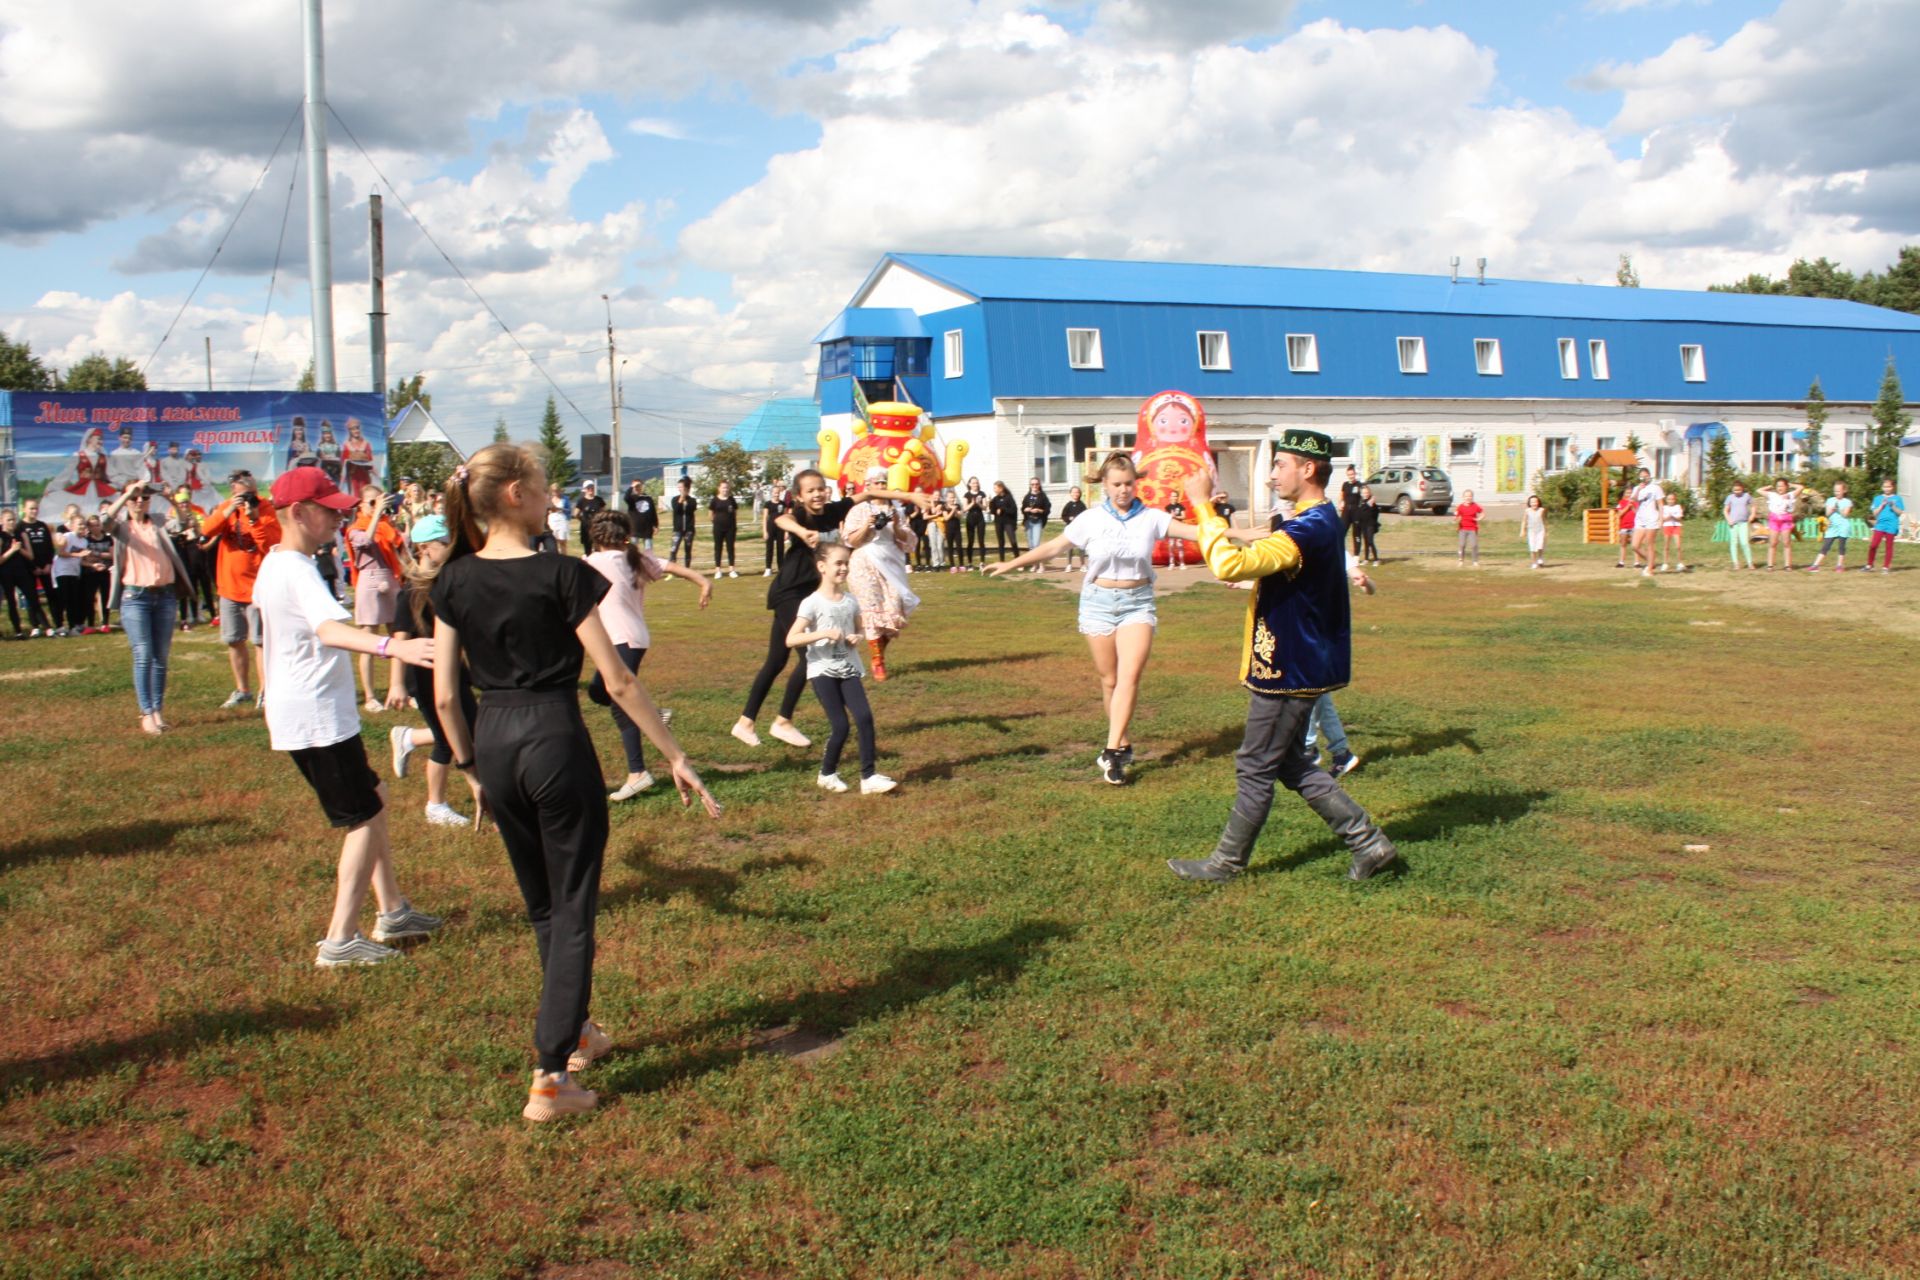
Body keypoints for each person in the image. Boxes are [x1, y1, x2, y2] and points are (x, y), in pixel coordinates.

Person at [428, 444, 719, 1121]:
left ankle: (578, 1027)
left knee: (543, 906)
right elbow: (617, 679)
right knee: (575, 913)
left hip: (494, 743)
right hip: (553, 739)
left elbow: (445, 698)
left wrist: (472, 770)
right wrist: (673, 753)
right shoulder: (561, 574)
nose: (552, 490)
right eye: (541, 482)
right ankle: (552, 1077)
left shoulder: (453, 579)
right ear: (513, 497)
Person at [1167, 431, 1399, 883]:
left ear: (1307, 470)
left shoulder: (1307, 529)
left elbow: (1227, 565)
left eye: (1280, 465)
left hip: (1289, 669)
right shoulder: (1321, 519)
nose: (1272, 475)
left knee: (1255, 764)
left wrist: (1203, 506)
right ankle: (1369, 843)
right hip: (1299, 663)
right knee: (1291, 763)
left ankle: (1226, 864)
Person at [255, 465, 444, 968]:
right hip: (316, 717)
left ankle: (394, 911)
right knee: (362, 819)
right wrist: (395, 649)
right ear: (298, 513)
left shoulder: (276, 563)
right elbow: (330, 631)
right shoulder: (296, 568)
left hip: (309, 712)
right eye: (331, 510)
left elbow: (272, 638)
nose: (342, 519)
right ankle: (341, 940)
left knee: (374, 797)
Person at [987, 453, 1202, 785]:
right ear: (1105, 484)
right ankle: (1123, 739)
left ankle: (1112, 751)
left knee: (1129, 677)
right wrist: (1010, 564)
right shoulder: (1090, 519)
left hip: (1138, 603)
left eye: (1129, 483)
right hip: (1098, 603)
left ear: (1136, 483)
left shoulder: (1152, 518)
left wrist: (1242, 535)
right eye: (1117, 484)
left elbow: (1196, 532)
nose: (1123, 490)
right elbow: (1053, 547)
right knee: (1110, 681)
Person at [733, 469, 930, 748]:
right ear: (799, 496)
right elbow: (782, 518)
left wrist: (909, 495)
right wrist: (802, 531)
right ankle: (783, 721)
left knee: (776, 661)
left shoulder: (833, 509)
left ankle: (746, 722)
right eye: (810, 491)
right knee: (811, 656)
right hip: (789, 593)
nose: (817, 494)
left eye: (821, 489)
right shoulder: (801, 515)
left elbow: (871, 493)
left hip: (807, 594)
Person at [584, 510, 712, 801]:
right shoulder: (634, 558)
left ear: (595, 537)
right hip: (635, 638)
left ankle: (637, 773)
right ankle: (653, 715)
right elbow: (673, 567)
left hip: (620, 639)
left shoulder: (591, 563)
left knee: (619, 702)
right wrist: (703, 581)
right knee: (598, 691)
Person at [387, 515, 483, 827]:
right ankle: (435, 805)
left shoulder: (448, 584)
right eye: (446, 545)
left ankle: (410, 738)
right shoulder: (411, 591)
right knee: (447, 740)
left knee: (473, 728)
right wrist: (396, 685)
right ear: (425, 548)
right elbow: (399, 640)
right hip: (424, 675)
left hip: (453, 671)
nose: (452, 550)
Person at [789, 543, 895, 794]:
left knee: (865, 718)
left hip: (848, 668)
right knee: (841, 725)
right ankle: (827, 773)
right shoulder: (811, 603)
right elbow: (791, 638)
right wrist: (821, 634)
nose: (844, 568)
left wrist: (857, 636)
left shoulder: (850, 601)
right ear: (822, 567)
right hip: (822, 670)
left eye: (846, 563)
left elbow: (859, 628)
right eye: (838, 563)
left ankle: (868, 777)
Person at [99, 482, 190, 733]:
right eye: (136, 498)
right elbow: (104, 519)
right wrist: (128, 492)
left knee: (160, 657)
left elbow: (182, 524)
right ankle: (146, 712)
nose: (140, 501)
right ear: (127, 500)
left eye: (145, 497)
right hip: (135, 598)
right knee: (143, 653)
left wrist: (173, 500)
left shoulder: (159, 521)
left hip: (164, 597)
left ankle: (158, 711)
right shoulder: (121, 527)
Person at [202, 470, 281, 708]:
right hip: (229, 588)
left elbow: (271, 545)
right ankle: (242, 689)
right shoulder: (227, 508)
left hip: (258, 588)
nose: (247, 499)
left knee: (261, 642)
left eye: (251, 493)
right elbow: (207, 530)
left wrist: (254, 518)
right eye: (242, 495)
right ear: (234, 493)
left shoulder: (266, 509)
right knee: (234, 640)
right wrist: (228, 511)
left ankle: (266, 691)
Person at [843, 465, 922, 680]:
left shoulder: (896, 508)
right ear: (868, 486)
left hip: (891, 562)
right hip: (864, 564)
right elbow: (850, 540)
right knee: (871, 611)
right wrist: (867, 526)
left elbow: (909, 541)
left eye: (884, 483)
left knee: (893, 608)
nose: (881, 486)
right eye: (877, 483)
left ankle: (879, 653)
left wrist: (896, 525)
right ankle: (878, 661)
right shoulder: (859, 509)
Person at [347, 485, 408, 712]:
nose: (377, 507)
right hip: (369, 581)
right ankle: (371, 697)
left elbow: (402, 546)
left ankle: (402, 688)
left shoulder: (386, 526)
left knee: (398, 635)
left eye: (379, 501)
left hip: (389, 579)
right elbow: (364, 542)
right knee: (368, 641)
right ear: (362, 505)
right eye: (372, 503)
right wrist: (375, 517)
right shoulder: (355, 528)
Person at [13, 499, 55, 635]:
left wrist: (48, 564)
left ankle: (58, 624)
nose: (34, 511)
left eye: (36, 508)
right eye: (31, 508)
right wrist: (33, 567)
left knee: (52, 596)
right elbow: (21, 551)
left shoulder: (42, 525)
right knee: (32, 597)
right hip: (30, 569)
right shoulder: (19, 527)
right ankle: (35, 626)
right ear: (24, 509)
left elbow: (50, 546)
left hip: (46, 568)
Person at [1805, 481, 1855, 573]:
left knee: (1841, 547)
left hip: (1843, 526)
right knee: (1826, 546)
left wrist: (1839, 509)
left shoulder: (1847, 502)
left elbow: (1845, 514)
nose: (1836, 493)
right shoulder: (1830, 500)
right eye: (1835, 491)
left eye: (1838, 491)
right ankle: (1815, 565)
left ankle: (1839, 565)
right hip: (1832, 527)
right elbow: (1827, 514)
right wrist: (1832, 509)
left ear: (1844, 491)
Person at [49, 512, 86, 635]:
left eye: (83, 524)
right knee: (62, 599)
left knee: (73, 600)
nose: (82, 526)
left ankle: (72, 627)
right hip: (61, 572)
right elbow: (60, 552)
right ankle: (59, 626)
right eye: (79, 524)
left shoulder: (84, 541)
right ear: (73, 525)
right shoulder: (68, 536)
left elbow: (81, 559)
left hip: (74, 572)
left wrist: (93, 565)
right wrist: (77, 554)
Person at [80, 515, 114, 631]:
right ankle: (90, 624)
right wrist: (96, 558)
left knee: (106, 597)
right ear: (89, 527)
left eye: (97, 525)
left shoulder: (108, 539)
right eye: (92, 526)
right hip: (91, 572)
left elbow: (112, 555)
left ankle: (105, 623)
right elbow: (84, 558)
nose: (95, 528)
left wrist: (95, 554)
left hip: (106, 571)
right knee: (89, 598)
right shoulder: (86, 540)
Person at [1631, 468, 1663, 578]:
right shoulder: (1637, 488)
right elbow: (1633, 500)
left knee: (1649, 544)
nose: (1644, 478)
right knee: (1635, 545)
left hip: (1652, 518)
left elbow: (1660, 504)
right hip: (1640, 519)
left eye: (1646, 475)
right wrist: (1639, 490)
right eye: (1642, 476)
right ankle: (1651, 561)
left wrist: (1661, 519)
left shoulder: (1655, 488)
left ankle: (1650, 569)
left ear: (1649, 476)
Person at [1867, 479, 1904, 573]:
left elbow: (1900, 513)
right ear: (1882, 487)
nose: (1887, 489)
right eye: (1885, 487)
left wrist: (1893, 506)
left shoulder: (1897, 498)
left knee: (1889, 546)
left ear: (1893, 487)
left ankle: (1886, 567)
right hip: (1880, 524)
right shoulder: (1877, 498)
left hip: (1891, 525)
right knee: (1873, 545)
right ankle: (1869, 565)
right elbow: (1875, 513)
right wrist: (1881, 506)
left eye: (1889, 487)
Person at [708, 481, 740, 577]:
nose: (725, 489)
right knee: (718, 548)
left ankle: (732, 569)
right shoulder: (714, 500)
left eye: (726, 487)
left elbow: (735, 512)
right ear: (719, 488)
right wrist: (716, 522)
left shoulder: (731, 499)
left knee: (730, 548)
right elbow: (710, 514)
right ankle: (718, 570)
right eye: (723, 487)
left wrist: (733, 524)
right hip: (718, 528)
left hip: (730, 528)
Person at [1764, 478, 1796, 571]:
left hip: (1785, 520)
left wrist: (1792, 485)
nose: (1780, 488)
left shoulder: (1790, 495)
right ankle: (1770, 565)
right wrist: (1769, 487)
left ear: (1786, 487)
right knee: (1773, 543)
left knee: (1786, 543)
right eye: (1778, 486)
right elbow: (1759, 490)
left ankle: (1787, 565)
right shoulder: (1772, 495)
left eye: (1782, 485)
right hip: (1774, 520)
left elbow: (1801, 487)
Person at [1723, 481, 1756, 570]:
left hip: (1744, 522)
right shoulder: (1730, 497)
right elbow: (1725, 510)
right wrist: (1729, 520)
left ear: (1742, 489)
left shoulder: (1746, 496)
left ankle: (1750, 563)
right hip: (1733, 524)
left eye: (1739, 490)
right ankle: (1735, 563)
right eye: (1735, 490)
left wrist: (1752, 515)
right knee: (1734, 543)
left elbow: (1753, 505)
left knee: (1744, 542)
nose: (1737, 492)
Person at [1021, 478, 1052, 568]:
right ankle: (1034, 564)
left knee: (1036, 544)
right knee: (1031, 545)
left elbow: (1047, 509)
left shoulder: (1043, 496)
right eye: (1032, 484)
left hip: (1038, 521)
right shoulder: (1027, 496)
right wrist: (1025, 509)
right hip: (1028, 521)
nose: (1034, 486)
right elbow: (1023, 509)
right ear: (1030, 485)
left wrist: (1039, 510)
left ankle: (1041, 565)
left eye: (1036, 484)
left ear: (1039, 485)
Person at [667, 477, 698, 568]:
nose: (680, 489)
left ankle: (687, 569)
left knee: (688, 550)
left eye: (681, 487)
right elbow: (676, 509)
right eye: (679, 487)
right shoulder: (674, 499)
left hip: (689, 529)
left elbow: (691, 509)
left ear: (686, 488)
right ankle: (672, 569)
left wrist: (685, 499)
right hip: (677, 529)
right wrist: (681, 499)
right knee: (673, 549)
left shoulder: (692, 500)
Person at [760, 481, 788, 576]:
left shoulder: (783, 504)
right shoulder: (768, 504)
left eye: (778, 492)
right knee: (769, 548)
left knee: (780, 549)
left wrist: (786, 532)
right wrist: (764, 531)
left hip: (780, 529)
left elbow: (786, 517)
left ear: (779, 493)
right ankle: (768, 568)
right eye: (775, 493)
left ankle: (781, 568)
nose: (776, 494)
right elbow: (764, 518)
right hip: (770, 528)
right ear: (772, 493)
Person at [341, 419, 376, 494]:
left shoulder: (366, 444)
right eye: (353, 429)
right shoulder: (346, 445)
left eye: (357, 428)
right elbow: (343, 462)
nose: (356, 431)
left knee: (366, 493)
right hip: (353, 475)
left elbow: (370, 460)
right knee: (355, 495)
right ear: (350, 431)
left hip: (364, 474)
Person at [1058, 486, 1088, 573]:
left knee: (1081, 547)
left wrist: (1078, 519)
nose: (1075, 494)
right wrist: (1069, 519)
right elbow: (1063, 516)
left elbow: (1085, 516)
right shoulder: (1068, 505)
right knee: (1069, 547)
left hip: (1080, 529)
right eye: (1073, 492)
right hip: (1070, 528)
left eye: (1077, 492)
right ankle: (1069, 565)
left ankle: (1082, 565)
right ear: (1070, 494)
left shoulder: (1082, 505)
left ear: (1080, 494)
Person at [573, 480, 607, 553]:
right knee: (587, 548)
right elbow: (575, 514)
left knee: (598, 547)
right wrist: (582, 520)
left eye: (592, 487)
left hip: (597, 527)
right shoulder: (581, 501)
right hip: (586, 528)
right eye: (588, 488)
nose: (591, 489)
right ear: (585, 489)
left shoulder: (599, 500)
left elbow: (604, 512)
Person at [625, 480, 658, 553]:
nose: (637, 488)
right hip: (635, 528)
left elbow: (653, 512)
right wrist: (632, 487)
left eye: (639, 486)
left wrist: (655, 525)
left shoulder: (648, 498)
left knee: (648, 549)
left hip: (647, 528)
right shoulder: (631, 498)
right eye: (635, 487)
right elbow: (626, 497)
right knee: (633, 550)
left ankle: (648, 562)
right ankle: (634, 563)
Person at [988, 481, 1017, 561]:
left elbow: (1013, 510)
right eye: (994, 488)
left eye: (995, 488)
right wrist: (990, 504)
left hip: (1008, 522)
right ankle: (1002, 561)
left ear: (1001, 488)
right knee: (1001, 542)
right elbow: (992, 511)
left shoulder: (1009, 498)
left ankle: (1017, 560)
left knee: (1013, 541)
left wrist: (1003, 509)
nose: (994, 490)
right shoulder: (995, 499)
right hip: (998, 522)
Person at [1659, 489, 1687, 572]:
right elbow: (1662, 518)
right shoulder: (1664, 507)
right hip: (1667, 526)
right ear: (1666, 500)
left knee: (1678, 546)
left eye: (1672, 499)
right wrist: (1668, 517)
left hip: (1676, 526)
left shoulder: (1678, 507)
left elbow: (1679, 517)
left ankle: (1680, 563)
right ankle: (1665, 563)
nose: (1671, 501)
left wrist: (1673, 516)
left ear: (1675, 500)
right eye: (1669, 499)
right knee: (1666, 546)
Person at [1353, 485, 1381, 565]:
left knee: (1370, 541)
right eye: (1364, 493)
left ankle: (1376, 559)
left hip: (1370, 525)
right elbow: (1360, 511)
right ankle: (1366, 559)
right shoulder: (1362, 502)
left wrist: (1374, 522)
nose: (1365, 494)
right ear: (1361, 494)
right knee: (1365, 541)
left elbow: (1375, 512)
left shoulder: (1371, 502)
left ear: (1369, 493)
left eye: (1367, 492)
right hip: (1363, 524)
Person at [1455, 490, 1483, 566]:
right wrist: (1458, 519)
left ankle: (1475, 561)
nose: (1468, 498)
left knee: (1474, 545)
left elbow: (1482, 512)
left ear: (1472, 497)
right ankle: (1461, 560)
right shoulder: (1460, 507)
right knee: (1462, 545)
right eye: (1466, 496)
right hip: (1462, 529)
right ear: (1463, 497)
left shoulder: (1475, 506)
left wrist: (1479, 518)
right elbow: (1456, 518)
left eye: (1470, 496)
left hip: (1472, 529)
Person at [1613, 488, 1637, 568]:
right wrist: (1627, 506)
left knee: (1635, 545)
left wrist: (1632, 506)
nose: (1629, 494)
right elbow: (1620, 514)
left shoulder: (1635, 503)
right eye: (1627, 493)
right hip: (1624, 526)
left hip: (1634, 526)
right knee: (1623, 544)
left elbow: (1637, 513)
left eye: (1631, 493)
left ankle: (1637, 562)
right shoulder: (1621, 503)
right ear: (1624, 494)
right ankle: (1621, 562)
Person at [1522, 494, 1547, 569]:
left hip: (1540, 530)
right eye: (1532, 502)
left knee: (1540, 545)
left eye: (1535, 502)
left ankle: (1540, 558)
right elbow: (1524, 521)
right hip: (1531, 531)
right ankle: (1534, 562)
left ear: (1538, 502)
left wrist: (1546, 531)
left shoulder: (1541, 510)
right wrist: (1523, 530)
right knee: (1532, 547)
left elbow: (1544, 521)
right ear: (1529, 503)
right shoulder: (1527, 511)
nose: (1534, 504)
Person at [1164, 494, 1188, 567]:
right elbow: (1166, 517)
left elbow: (1184, 516)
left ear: (1177, 497)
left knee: (1179, 545)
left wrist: (1175, 516)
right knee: (1171, 545)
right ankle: (1171, 563)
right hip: (1171, 528)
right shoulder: (1167, 507)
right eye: (1173, 496)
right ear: (1170, 497)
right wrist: (1170, 516)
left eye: (1175, 496)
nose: (1174, 498)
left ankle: (1182, 563)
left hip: (1179, 527)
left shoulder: (1180, 506)